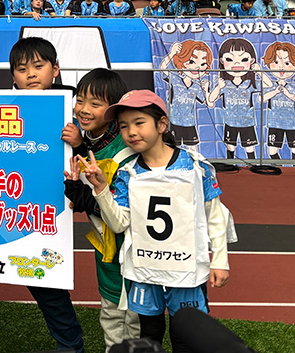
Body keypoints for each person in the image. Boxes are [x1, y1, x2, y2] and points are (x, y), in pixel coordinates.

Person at [73, 90, 231, 353]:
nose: (132, 132)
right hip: (145, 269)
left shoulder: (195, 166)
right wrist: (101, 189)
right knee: (149, 333)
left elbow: (215, 215)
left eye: (139, 123)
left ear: (161, 124)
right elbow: (119, 224)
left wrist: (220, 261)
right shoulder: (127, 173)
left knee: (185, 335)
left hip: (186, 269)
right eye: (124, 126)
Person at [0, 37, 85, 353]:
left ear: (55, 69)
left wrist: (79, 143)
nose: (31, 74)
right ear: (12, 75)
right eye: (22, 69)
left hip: (38, 219)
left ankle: (71, 346)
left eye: (38, 66)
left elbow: (86, 161)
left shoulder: (69, 110)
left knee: (48, 286)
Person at [61, 68, 140, 351]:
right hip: (107, 246)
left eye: (95, 104)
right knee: (111, 312)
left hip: (132, 246)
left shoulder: (126, 147)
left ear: (113, 110)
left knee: (135, 316)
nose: (84, 109)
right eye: (80, 100)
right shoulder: (83, 135)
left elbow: (116, 208)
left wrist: (80, 148)